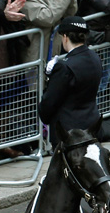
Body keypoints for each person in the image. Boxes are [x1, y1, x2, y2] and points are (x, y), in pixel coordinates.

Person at [38, 16, 102, 147]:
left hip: (68, 132)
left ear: (65, 37)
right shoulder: (94, 57)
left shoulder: (64, 67)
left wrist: (50, 78)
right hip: (91, 124)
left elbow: (50, 101)